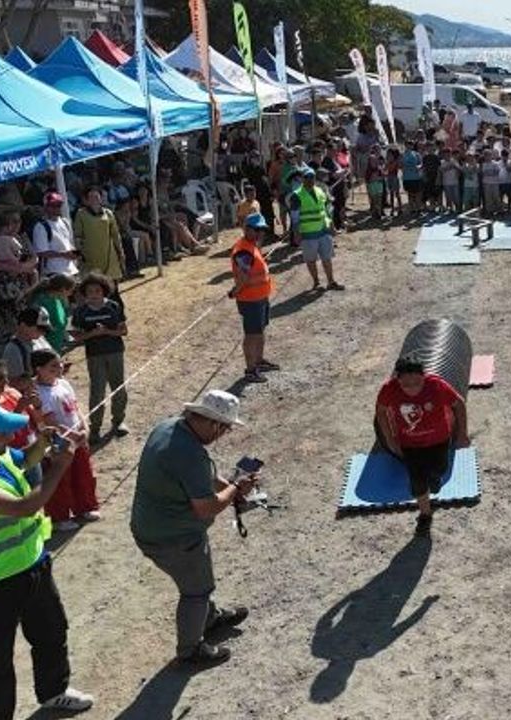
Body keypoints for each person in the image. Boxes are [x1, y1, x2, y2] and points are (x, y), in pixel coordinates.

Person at [0, 401, 94, 717]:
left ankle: (54, 692)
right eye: (3, 434)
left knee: (51, 633)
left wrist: (43, 443)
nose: (10, 438)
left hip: (33, 566)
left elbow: (24, 460)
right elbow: (25, 506)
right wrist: (61, 465)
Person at [130, 390, 256, 665]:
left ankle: (208, 618)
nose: (223, 435)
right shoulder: (189, 453)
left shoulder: (168, 428)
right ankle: (190, 649)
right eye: (224, 429)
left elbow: (204, 478)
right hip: (174, 538)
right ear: (213, 424)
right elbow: (207, 506)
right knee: (196, 590)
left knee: (197, 583)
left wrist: (232, 489)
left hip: (153, 526)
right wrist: (235, 489)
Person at [374, 355, 470, 537]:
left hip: (438, 440)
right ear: (397, 379)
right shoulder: (389, 389)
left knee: (439, 470)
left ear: (423, 376)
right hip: (409, 444)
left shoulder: (436, 385)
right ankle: (425, 515)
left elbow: (459, 404)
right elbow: (380, 411)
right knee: (417, 480)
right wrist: (389, 439)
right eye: (406, 385)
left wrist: (462, 433)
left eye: (417, 383)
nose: (412, 389)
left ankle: (434, 478)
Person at [31, 349, 98, 531]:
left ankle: (84, 508)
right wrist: (73, 436)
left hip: (77, 438)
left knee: (83, 474)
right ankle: (59, 517)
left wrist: (84, 427)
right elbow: (50, 422)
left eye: (59, 363)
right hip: (58, 443)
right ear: (39, 369)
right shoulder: (38, 393)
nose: (59, 367)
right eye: (53, 366)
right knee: (60, 480)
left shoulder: (63, 383)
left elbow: (76, 409)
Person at [70, 273, 128, 442]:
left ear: (104, 291)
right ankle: (95, 428)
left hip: (115, 352)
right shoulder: (80, 311)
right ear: (85, 293)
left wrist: (107, 332)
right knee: (97, 391)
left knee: (118, 387)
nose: (94, 295)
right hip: (94, 355)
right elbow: (76, 336)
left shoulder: (113, 306)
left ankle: (118, 422)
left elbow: (123, 330)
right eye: (90, 292)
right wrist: (92, 334)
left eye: (97, 291)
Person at [229, 214, 279, 384]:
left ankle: (259, 360)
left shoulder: (252, 246)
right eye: (257, 230)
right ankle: (250, 370)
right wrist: (235, 291)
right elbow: (243, 278)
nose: (260, 233)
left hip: (260, 298)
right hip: (250, 300)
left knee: (260, 330)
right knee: (251, 334)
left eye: (262, 230)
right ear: (247, 229)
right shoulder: (243, 250)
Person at [290, 168, 343, 291]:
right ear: (302, 179)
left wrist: (332, 226)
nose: (310, 180)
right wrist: (296, 233)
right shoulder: (296, 195)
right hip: (307, 233)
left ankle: (331, 281)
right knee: (311, 260)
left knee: (327, 257)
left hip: (323, 230)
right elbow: (294, 217)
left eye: (312, 177)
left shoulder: (320, 191)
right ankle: (316, 282)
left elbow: (326, 211)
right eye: (307, 177)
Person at [72, 186, 126, 288]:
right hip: (91, 257)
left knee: (113, 286)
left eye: (96, 196)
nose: (94, 199)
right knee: (96, 285)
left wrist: (121, 252)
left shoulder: (109, 213)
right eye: (91, 197)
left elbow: (115, 234)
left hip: (109, 256)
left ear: (101, 198)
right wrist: (80, 253)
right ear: (86, 200)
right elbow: (78, 236)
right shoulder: (81, 214)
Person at [30, 193, 80, 278]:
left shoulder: (65, 222)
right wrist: (63, 255)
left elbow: (69, 244)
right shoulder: (41, 226)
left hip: (72, 270)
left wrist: (74, 254)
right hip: (53, 272)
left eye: (59, 205)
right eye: (52, 205)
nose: (56, 208)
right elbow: (41, 253)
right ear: (45, 207)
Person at [3, 308, 53, 392]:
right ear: (23, 325)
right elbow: (14, 383)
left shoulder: (39, 339)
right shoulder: (13, 349)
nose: (43, 333)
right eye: (39, 329)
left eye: (44, 330)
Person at [25, 273, 75, 353]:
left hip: (57, 346)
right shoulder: (40, 301)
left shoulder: (60, 300)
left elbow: (64, 322)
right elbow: (37, 326)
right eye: (70, 290)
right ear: (63, 289)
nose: (71, 293)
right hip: (43, 348)